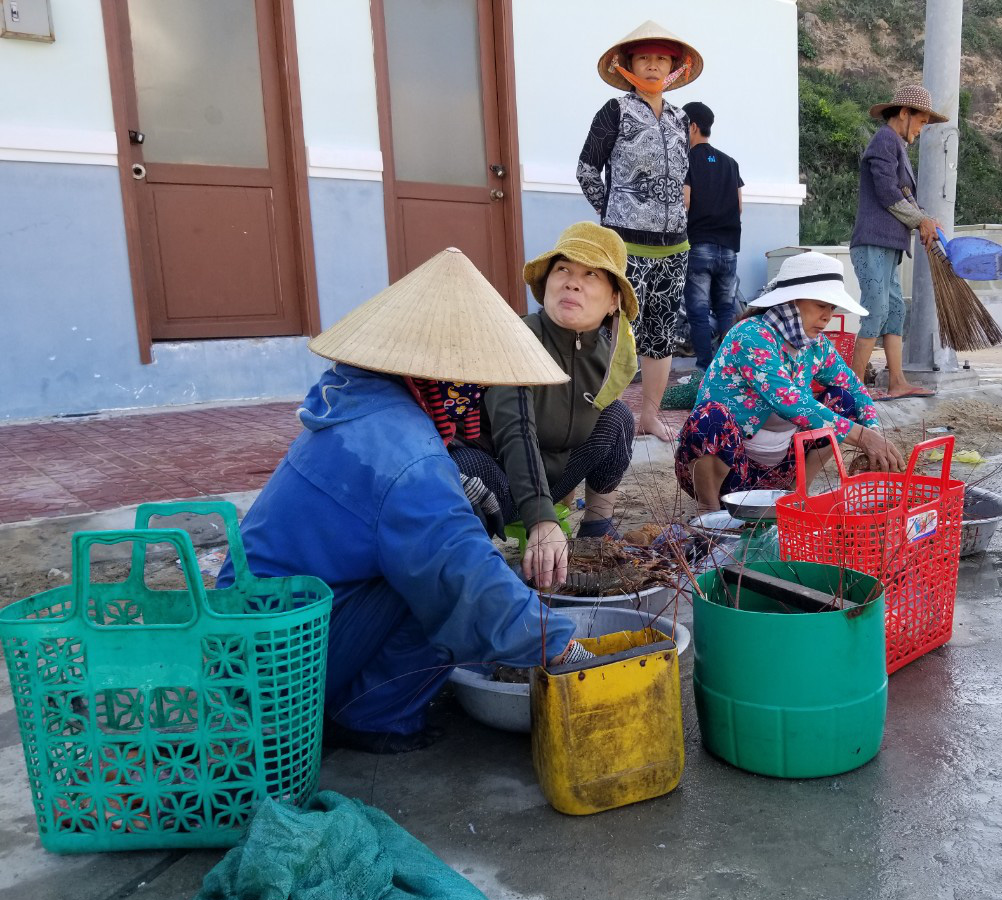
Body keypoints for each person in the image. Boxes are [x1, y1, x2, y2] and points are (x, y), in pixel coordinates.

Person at [220, 248, 596, 754]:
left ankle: (370, 711)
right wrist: (563, 647)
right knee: (444, 586)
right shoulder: (403, 454)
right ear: (440, 377)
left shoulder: (359, 401)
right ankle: (374, 716)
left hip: (250, 632)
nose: (476, 392)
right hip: (271, 664)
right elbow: (466, 577)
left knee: (431, 570)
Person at [448, 222, 640, 589]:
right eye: (563, 269)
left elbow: (577, 432)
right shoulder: (519, 338)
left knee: (617, 417)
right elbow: (516, 431)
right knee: (464, 467)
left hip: (551, 481)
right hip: (497, 483)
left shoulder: (608, 355)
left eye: (591, 275)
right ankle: (473, 575)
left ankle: (596, 538)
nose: (572, 282)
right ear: (547, 282)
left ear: (613, 299)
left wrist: (552, 509)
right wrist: (541, 520)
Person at [675, 251, 907, 512]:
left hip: (779, 469)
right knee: (710, 419)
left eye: (831, 308)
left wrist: (872, 429)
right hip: (734, 470)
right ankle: (710, 511)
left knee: (845, 401)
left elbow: (853, 386)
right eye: (821, 305)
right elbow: (789, 401)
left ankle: (797, 493)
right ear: (792, 301)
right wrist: (862, 437)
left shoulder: (815, 346)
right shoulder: (752, 335)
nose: (827, 316)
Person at [577, 20, 703, 442]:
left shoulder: (680, 118)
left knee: (661, 333)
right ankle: (600, 418)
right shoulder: (615, 111)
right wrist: (611, 215)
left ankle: (649, 415)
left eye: (661, 58)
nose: (652, 65)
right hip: (625, 244)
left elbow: (684, 177)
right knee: (614, 330)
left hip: (674, 246)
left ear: (673, 66)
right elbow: (586, 169)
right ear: (628, 64)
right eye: (644, 57)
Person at [849, 83, 948, 400]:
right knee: (875, 310)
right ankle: (852, 390)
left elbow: (904, 197)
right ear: (904, 113)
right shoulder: (884, 141)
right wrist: (921, 220)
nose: (921, 128)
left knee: (894, 311)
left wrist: (926, 219)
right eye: (921, 121)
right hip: (872, 243)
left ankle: (897, 382)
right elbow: (888, 194)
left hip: (889, 246)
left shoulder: (896, 146)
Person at [681, 101, 744, 373]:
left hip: (699, 247)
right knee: (725, 310)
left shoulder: (686, 160)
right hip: (729, 249)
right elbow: (740, 206)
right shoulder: (731, 163)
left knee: (698, 311)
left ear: (692, 126)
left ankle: (706, 369)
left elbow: (684, 202)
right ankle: (728, 368)